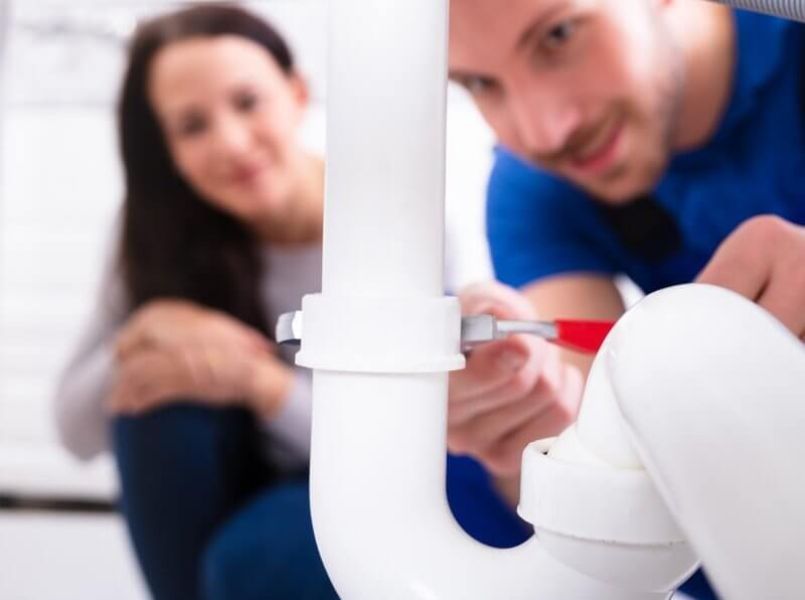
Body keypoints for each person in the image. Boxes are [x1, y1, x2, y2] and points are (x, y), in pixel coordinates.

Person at [53, 4, 528, 599]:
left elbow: (425, 441)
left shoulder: (401, 222)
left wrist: (259, 384)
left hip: (390, 475)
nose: (230, 141)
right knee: (155, 399)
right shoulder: (154, 235)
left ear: (298, 93)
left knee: (249, 560)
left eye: (247, 102)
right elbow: (74, 432)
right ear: (167, 151)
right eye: (192, 126)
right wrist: (148, 328)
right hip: (249, 471)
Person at [446, 0, 804, 597]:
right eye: (481, 83)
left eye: (559, 36)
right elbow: (582, 421)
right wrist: (533, 438)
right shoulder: (534, 185)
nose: (544, 130)